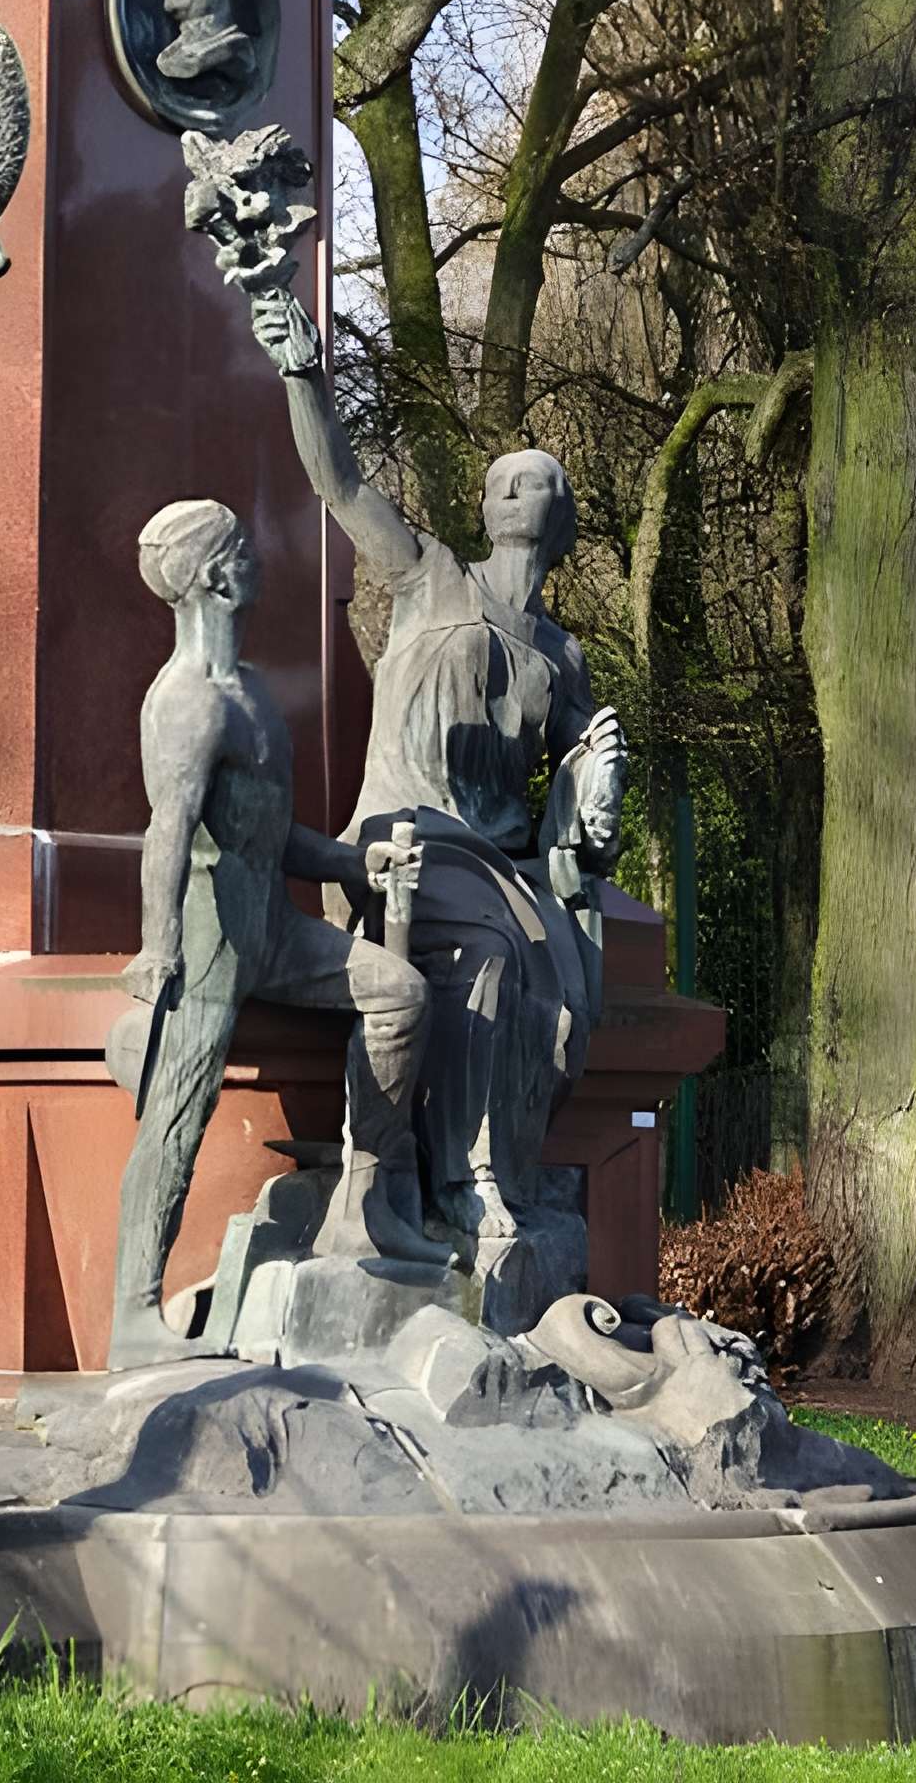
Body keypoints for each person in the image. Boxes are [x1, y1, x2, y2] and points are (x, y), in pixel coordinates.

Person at [250, 292, 629, 1238]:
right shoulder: (429, 578)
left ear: (561, 515)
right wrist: (305, 375)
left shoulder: (562, 656)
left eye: (531, 478)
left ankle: (492, 1167)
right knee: (493, 956)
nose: (509, 486)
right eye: (500, 478)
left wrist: (599, 779)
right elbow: (340, 486)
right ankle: (467, 1173)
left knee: (553, 993)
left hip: (502, 866)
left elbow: (583, 793)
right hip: (404, 838)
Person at [108, 498, 444, 1371]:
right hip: (210, 944)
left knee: (399, 993)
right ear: (217, 576)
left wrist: (350, 867)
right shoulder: (185, 706)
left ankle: (362, 1203)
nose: (260, 558)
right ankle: (133, 1314)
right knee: (176, 1121)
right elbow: (168, 836)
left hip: (277, 931)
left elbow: (269, 836)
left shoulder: (253, 694)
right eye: (243, 550)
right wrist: (157, 952)